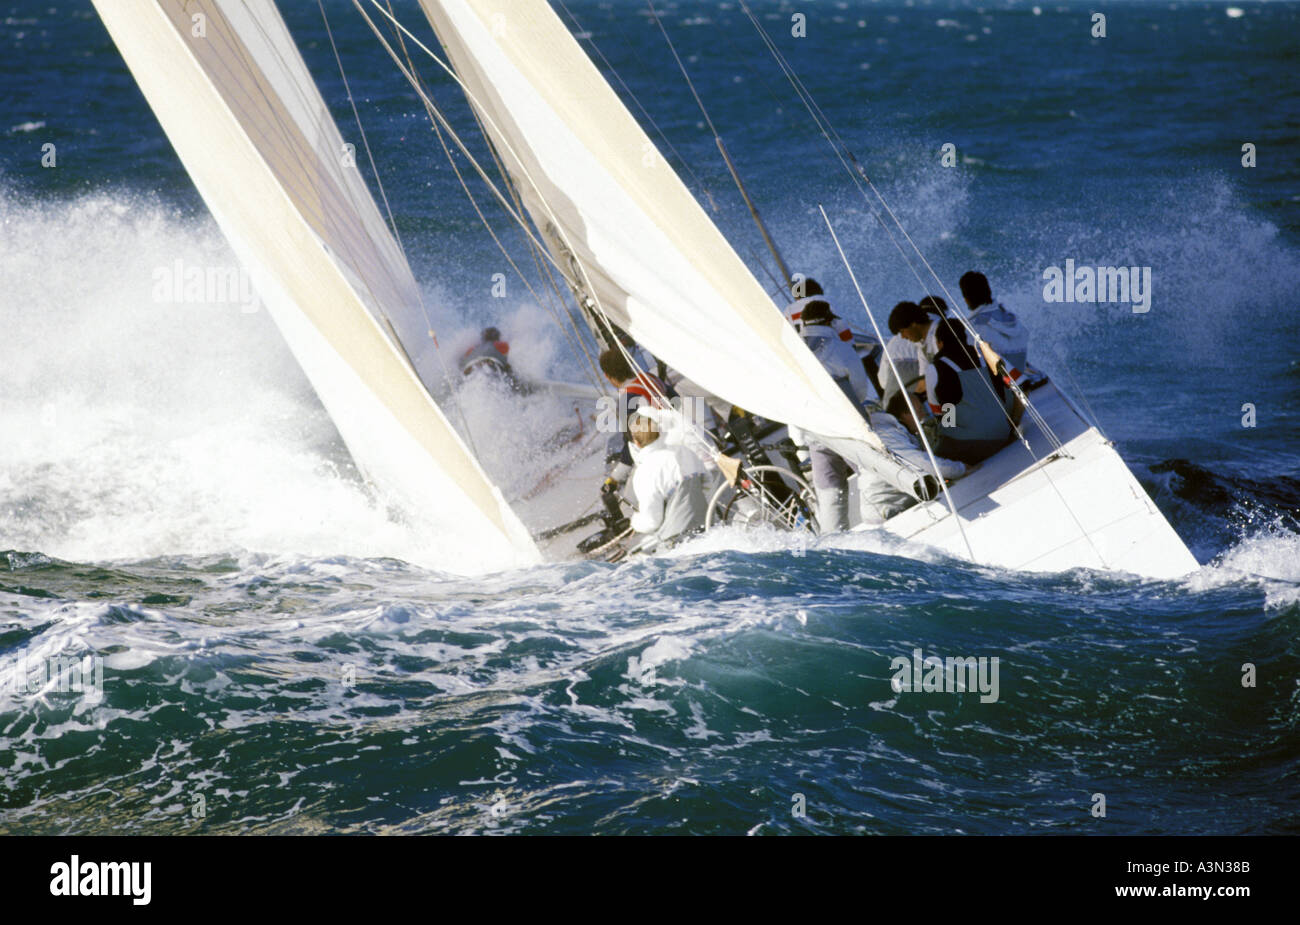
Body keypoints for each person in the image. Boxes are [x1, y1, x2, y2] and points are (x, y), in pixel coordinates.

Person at [799, 299, 963, 529]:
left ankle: (834, 545)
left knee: (830, 493)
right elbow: (860, 390)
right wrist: (960, 466)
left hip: (815, 430)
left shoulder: (794, 349)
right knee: (873, 470)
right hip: (848, 427)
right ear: (830, 321)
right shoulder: (838, 347)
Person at [921, 317, 1017, 464]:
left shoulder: (935, 368)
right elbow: (1018, 384)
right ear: (963, 337)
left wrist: (949, 435)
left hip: (974, 444)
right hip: (1004, 432)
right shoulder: (984, 354)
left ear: (940, 343)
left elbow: (942, 413)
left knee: (933, 454)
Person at [625, 406, 708, 554]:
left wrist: (635, 521)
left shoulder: (644, 472)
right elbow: (707, 483)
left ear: (636, 442)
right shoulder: (684, 451)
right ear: (659, 432)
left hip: (677, 544)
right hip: (708, 529)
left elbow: (652, 522)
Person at [958, 271, 1033, 384]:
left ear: (966, 298)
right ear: (988, 291)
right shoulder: (1006, 312)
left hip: (1007, 381)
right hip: (1023, 368)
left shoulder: (972, 326)